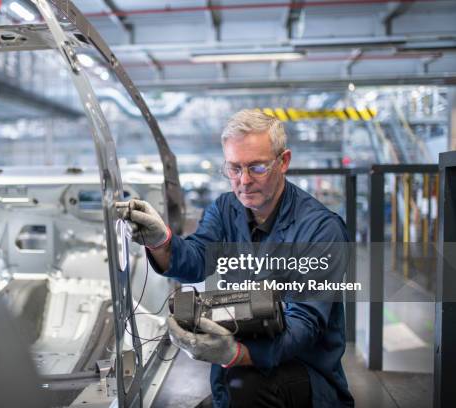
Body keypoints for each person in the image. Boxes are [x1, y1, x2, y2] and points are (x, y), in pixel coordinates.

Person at [116, 110, 354, 408]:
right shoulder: (226, 209)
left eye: (257, 167)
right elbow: (197, 258)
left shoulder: (321, 229)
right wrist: (161, 241)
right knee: (235, 386)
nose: (244, 181)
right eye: (234, 168)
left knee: (247, 385)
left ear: (284, 162)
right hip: (234, 372)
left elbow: (303, 327)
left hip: (303, 372)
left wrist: (235, 355)